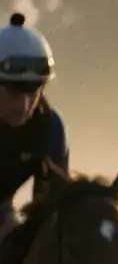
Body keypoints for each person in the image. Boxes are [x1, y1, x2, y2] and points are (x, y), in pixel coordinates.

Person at [0, 13, 72, 227]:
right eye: (13, 92)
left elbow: (50, 208)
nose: (24, 106)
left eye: (33, 92)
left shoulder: (49, 128)